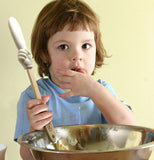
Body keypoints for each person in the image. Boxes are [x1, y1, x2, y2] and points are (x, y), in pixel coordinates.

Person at [14, 0, 137, 159]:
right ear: (45, 54)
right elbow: (27, 157)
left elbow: (132, 132)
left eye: (85, 46)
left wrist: (95, 91)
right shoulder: (34, 97)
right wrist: (34, 129)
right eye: (64, 47)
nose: (77, 56)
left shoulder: (102, 90)